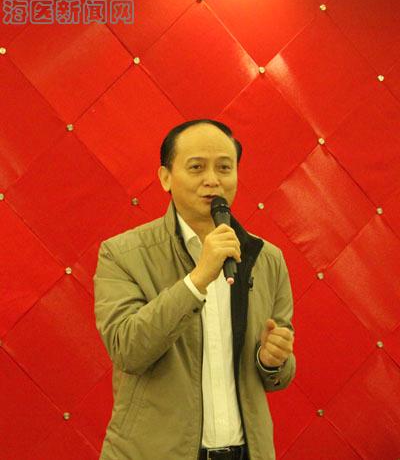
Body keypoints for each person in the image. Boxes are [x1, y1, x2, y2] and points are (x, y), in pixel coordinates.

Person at [93, 119, 296, 460]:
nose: (212, 180)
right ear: (165, 178)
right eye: (197, 167)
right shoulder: (122, 254)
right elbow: (127, 349)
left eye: (224, 168)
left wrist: (272, 360)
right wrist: (198, 278)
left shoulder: (265, 257)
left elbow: (278, 375)